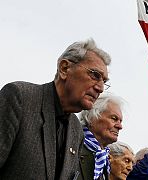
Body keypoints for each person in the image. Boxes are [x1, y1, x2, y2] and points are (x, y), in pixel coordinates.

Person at [0, 38, 111, 179]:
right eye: (95, 75)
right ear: (64, 68)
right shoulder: (20, 97)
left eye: (104, 81)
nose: (100, 88)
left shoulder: (76, 130)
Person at [78, 94, 124, 180]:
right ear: (92, 117)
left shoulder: (103, 158)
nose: (120, 126)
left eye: (120, 121)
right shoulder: (71, 144)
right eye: (114, 118)